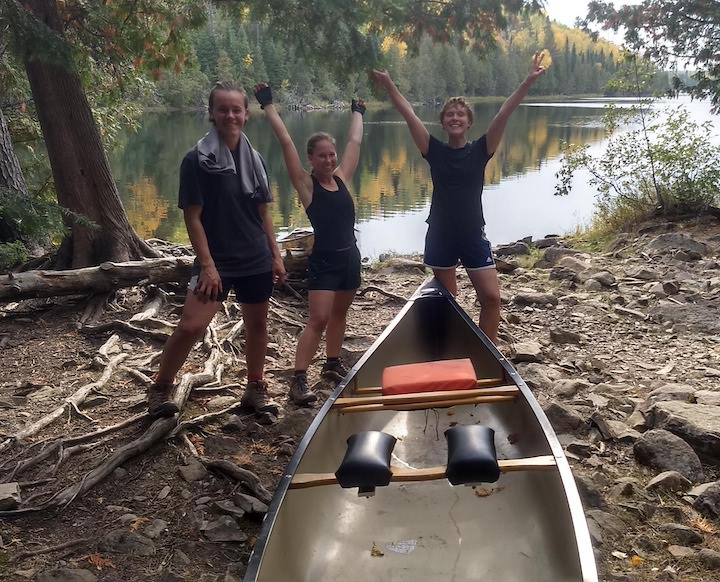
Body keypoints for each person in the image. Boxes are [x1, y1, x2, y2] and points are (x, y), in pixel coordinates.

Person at [371, 53, 546, 344]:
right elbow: (409, 115)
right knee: (447, 299)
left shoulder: (481, 149)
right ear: (443, 123)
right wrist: (390, 85)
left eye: (460, 115)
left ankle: (487, 351)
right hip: (440, 233)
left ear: (468, 123)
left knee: (491, 298)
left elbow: (504, 113)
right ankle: (446, 347)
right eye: (450, 114)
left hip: (471, 233)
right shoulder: (434, 150)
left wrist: (527, 82)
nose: (455, 117)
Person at [146, 80, 286, 420]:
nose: (230, 115)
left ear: (246, 114)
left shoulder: (255, 159)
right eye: (222, 109)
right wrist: (207, 266)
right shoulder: (196, 160)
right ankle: (161, 386)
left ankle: (255, 388)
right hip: (217, 261)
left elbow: (264, 212)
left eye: (236, 109)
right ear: (211, 113)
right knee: (192, 325)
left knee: (257, 325)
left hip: (255, 257)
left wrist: (276, 254)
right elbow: (193, 218)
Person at [254, 83, 364, 406]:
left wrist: (357, 112)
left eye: (332, 154)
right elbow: (286, 140)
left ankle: (331, 365)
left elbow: (355, 141)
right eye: (322, 156)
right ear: (311, 159)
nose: (330, 160)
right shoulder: (307, 185)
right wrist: (268, 105)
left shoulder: (342, 177)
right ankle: (298, 379)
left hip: (349, 259)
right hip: (325, 262)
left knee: (340, 315)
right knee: (318, 320)